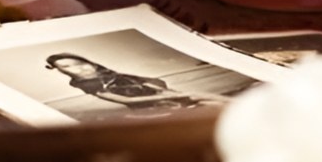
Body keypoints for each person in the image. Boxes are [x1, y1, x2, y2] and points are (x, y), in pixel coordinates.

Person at [44, 52, 214, 113]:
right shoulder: (85, 83)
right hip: (149, 104)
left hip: (158, 93)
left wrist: (168, 92)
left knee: (206, 101)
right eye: (68, 67)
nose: (80, 69)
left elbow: (144, 81)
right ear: (61, 70)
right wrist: (160, 98)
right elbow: (125, 100)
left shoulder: (107, 72)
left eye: (80, 63)